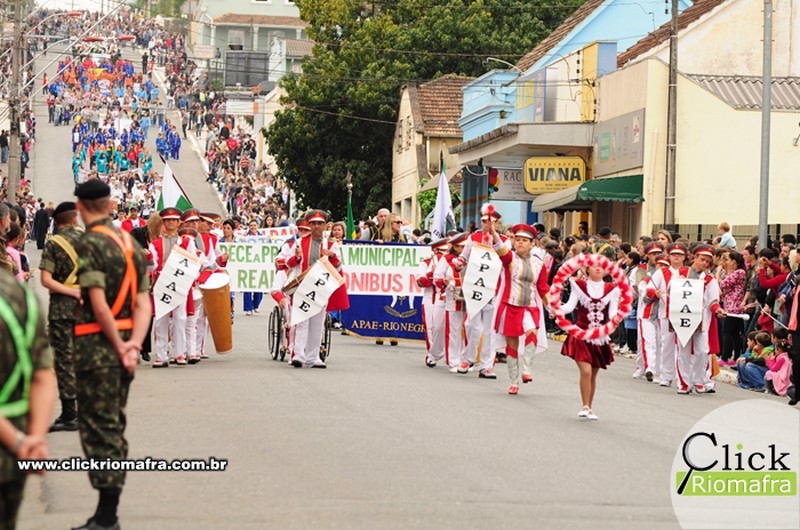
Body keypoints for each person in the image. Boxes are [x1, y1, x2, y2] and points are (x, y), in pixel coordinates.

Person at [72, 179, 151, 530]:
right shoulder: (131, 244)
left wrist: (118, 345)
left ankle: (107, 515)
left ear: (80, 206)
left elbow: (99, 302)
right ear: (109, 203)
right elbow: (143, 302)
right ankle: (106, 512)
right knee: (113, 424)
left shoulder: (90, 243)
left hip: (98, 348)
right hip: (124, 346)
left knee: (98, 429)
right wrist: (133, 343)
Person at [0, 266, 57, 530]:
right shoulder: (19, 294)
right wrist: (34, 440)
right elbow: (43, 375)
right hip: (12, 459)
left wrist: (21, 441)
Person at [490, 223, 549, 395]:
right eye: (518, 239)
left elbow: (543, 287)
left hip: (530, 307)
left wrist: (552, 306)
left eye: (525, 240)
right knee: (512, 346)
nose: (521, 243)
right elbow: (500, 249)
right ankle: (514, 381)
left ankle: (526, 369)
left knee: (532, 332)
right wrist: (493, 231)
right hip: (510, 306)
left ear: (532, 243)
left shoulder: (539, 264)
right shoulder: (510, 259)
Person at [39, 202, 83, 432]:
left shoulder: (54, 244)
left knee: (64, 359)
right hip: (90, 308)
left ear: (57, 222)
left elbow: (46, 280)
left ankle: (69, 414)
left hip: (62, 309)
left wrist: (70, 290)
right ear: (75, 219)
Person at [284, 210, 348, 368]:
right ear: (309, 225)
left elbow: (339, 267)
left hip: (321, 287)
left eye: (320, 223)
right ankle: (298, 355)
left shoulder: (331, 244)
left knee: (318, 323)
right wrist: (296, 257)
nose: (317, 226)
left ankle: (313, 357)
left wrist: (332, 256)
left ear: (325, 225)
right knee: (302, 321)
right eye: (313, 223)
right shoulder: (300, 242)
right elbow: (288, 263)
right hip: (302, 286)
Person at [674, 245, 723, 395]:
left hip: (702, 320)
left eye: (707, 261)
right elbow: (671, 291)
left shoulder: (710, 280)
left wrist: (718, 310)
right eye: (702, 259)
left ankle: (698, 379)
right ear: (694, 258)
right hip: (682, 318)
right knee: (683, 352)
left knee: (702, 351)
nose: (704, 263)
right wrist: (677, 284)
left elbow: (712, 301)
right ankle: (683, 382)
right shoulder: (680, 273)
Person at [433, 233, 468, 372]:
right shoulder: (446, 259)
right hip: (453, 298)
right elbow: (437, 278)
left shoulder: (471, 259)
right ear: (454, 246)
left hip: (470, 299)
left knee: (468, 329)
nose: (462, 249)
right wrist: (444, 282)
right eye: (460, 247)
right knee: (453, 330)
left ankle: (465, 360)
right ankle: (453, 361)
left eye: (465, 246)